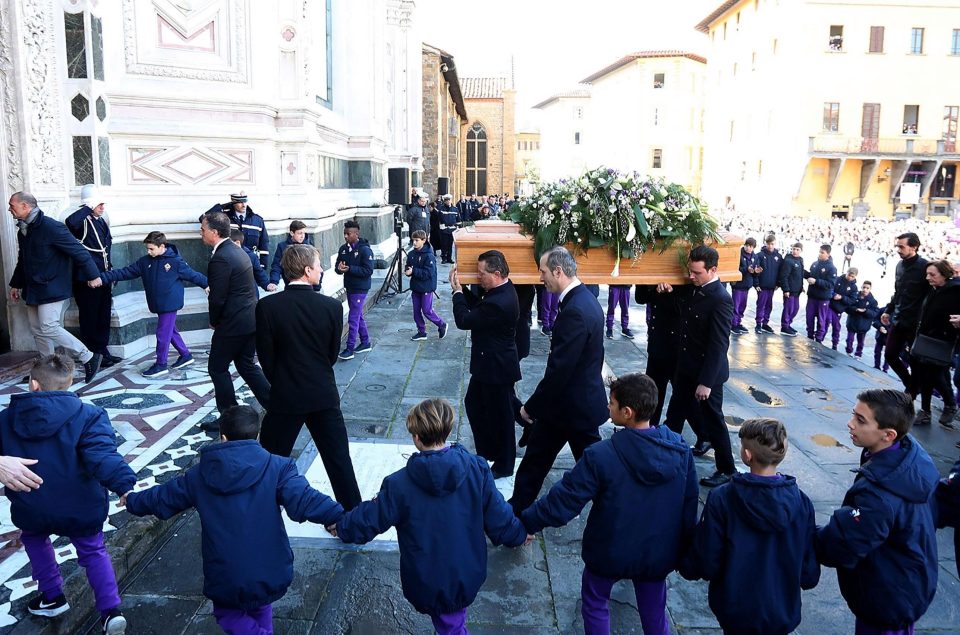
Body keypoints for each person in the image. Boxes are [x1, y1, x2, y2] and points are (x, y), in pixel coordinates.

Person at [124, 405, 344, 635]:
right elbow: (306, 499)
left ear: (223, 438)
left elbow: (161, 498)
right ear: (257, 436)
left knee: (227, 614)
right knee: (261, 605)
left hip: (226, 573)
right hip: (271, 565)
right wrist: (339, 518)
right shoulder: (278, 467)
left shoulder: (198, 476)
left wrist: (132, 500)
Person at [329, 399, 530, 635]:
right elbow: (499, 516)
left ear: (416, 438)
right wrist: (519, 534)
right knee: (453, 618)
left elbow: (370, 518)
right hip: (466, 569)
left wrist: (342, 526)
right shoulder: (477, 469)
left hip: (429, 576)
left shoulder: (399, 485)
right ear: (447, 430)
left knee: (451, 625)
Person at [520, 373, 698, 635]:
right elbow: (689, 503)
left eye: (612, 403)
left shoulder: (601, 456)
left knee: (594, 601)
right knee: (654, 609)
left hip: (610, 550)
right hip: (656, 552)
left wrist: (525, 522)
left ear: (627, 412)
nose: (607, 407)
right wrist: (684, 546)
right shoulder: (681, 451)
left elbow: (564, 501)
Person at [0, 353, 134, 633]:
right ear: (69, 384)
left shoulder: (6, 418)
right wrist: (124, 485)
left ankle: (52, 597)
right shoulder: (89, 415)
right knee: (93, 551)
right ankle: (110, 611)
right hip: (80, 505)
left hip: (31, 503)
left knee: (35, 540)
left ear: (34, 384)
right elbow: (103, 457)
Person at [680, 418, 820, 635]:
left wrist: (688, 565)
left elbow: (708, 556)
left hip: (736, 606)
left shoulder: (723, 498)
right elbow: (808, 565)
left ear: (747, 455)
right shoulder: (801, 502)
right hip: (781, 607)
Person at [816, 389, 939, 635]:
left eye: (861, 420)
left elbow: (844, 544)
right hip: (906, 583)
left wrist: (806, 532)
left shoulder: (878, 496)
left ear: (888, 435)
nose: (850, 424)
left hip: (887, 596)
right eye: (854, 414)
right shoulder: (908, 456)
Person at [256, 244, 362, 509]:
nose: (321, 270)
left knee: (270, 461)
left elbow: (266, 359)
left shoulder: (268, 307)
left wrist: (283, 380)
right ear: (306, 271)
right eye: (318, 266)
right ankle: (352, 516)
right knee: (339, 459)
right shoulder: (331, 306)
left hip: (285, 395)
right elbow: (331, 354)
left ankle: (261, 513)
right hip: (322, 393)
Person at [511, 246, 608, 513]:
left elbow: (559, 371)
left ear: (558, 271)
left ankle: (516, 512)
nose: (540, 278)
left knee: (545, 464)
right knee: (541, 462)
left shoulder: (576, 310)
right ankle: (516, 510)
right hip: (575, 405)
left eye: (543, 272)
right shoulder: (585, 299)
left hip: (569, 407)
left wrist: (530, 408)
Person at [7, 191, 103, 383]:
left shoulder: (52, 227)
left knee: (49, 326)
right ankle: (45, 372)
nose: (9, 209)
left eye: (12, 205)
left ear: (26, 206)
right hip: (34, 288)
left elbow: (79, 252)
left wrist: (94, 275)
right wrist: (16, 283)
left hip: (53, 287)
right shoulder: (23, 230)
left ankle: (88, 356)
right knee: (37, 330)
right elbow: (22, 259)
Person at [450, 251, 521, 478]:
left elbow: (465, 320)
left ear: (497, 273)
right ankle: (490, 450)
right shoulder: (499, 292)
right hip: (490, 363)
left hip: (496, 367)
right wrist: (466, 292)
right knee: (476, 404)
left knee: (502, 417)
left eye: (482, 274)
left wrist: (458, 293)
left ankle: (504, 463)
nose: (479, 277)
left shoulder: (499, 301)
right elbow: (481, 307)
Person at [97, 232, 208, 378]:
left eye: (151, 249)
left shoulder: (175, 262)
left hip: (170, 303)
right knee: (170, 331)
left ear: (162, 246)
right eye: (147, 249)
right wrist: (102, 277)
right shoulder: (145, 261)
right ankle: (186, 355)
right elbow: (126, 272)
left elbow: (193, 275)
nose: (148, 251)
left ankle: (161, 365)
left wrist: (207, 285)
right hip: (157, 303)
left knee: (162, 334)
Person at [674, 245, 736, 487]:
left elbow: (718, 345)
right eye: (690, 271)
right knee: (676, 413)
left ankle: (727, 469)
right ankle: (666, 456)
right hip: (686, 368)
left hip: (706, 375)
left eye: (697, 273)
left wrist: (706, 382)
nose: (691, 276)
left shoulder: (721, 299)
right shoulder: (694, 290)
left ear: (713, 270)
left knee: (714, 420)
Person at [200, 211, 271, 418]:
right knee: (246, 364)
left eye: (203, 230)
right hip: (249, 320)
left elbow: (217, 298)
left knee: (217, 368)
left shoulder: (221, 258)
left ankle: (229, 415)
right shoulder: (237, 250)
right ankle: (274, 403)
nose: (201, 234)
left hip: (233, 323)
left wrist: (214, 321)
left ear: (214, 232)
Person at [64, 185, 120, 368]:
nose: (102, 207)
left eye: (102, 203)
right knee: (90, 317)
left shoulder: (101, 220)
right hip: (86, 279)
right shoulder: (82, 221)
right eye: (99, 204)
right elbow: (70, 223)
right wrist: (88, 206)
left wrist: (110, 272)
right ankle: (93, 354)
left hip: (103, 276)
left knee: (103, 315)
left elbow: (105, 249)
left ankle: (103, 350)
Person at [911, 260, 960, 426]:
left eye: (932, 274)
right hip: (926, 338)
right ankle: (925, 410)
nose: (928, 277)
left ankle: (950, 404)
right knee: (925, 375)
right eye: (927, 274)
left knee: (936, 375)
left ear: (944, 274)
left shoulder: (956, 290)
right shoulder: (933, 289)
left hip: (943, 340)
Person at [635, 284, 691, 427]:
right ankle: (650, 428)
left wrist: (670, 291)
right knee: (653, 392)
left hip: (676, 345)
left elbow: (681, 309)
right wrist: (655, 290)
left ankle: (703, 435)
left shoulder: (686, 283)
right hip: (657, 344)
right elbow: (640, 297)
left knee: (682, 395)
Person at [881, 233, 929, 394]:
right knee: (890, 354)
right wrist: (888, 310)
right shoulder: (899, 266)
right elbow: (898, 291)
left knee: (915, 360)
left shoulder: (925, 267)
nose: (898, 250)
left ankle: (911, 393)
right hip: (899, 318)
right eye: (897, 246)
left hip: (916, 323)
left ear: (914, 247)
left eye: (901, 246)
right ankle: (911, 384)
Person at [335, 220, 374, 360]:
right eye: (344, 233)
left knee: (353, 317)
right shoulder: (343, 249)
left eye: (348, 234)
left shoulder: (365, 250)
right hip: (350, 287)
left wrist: (350, 269)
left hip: (360, 288)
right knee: (358, 316)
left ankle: (349, 348)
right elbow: (337, 266)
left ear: (356, 234)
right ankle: (365, 342)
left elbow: (368, 270)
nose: (345, 236)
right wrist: (339, 270)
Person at [207, 191, 270, 267]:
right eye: (240, 202)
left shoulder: (257, 220)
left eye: (245, 201)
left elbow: (264, 245)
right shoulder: (224, 219)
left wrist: (262, 265)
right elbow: (204, 219)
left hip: (251, 264)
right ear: (233, 203)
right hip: (229, 264)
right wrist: (223, 206)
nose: (244, 205)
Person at [405, 230, 447, 341]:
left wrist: (414, 272)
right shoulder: (411, 254)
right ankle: (421, 332)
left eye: (417, 240)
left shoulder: (429, 256)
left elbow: (428, 273)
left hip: (426, 287)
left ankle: (441, 324)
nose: (414, 243)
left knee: (427, 310)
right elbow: (408, 266)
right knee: (416, 311)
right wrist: (407, 271)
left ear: (424, 240)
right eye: (413, 240)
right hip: (416, 287)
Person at [804, 244, 837, 342]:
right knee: (809, 317)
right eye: (819, 252)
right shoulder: (815, 264)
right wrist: (802, 272)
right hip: (812, 296)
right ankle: (809, 336)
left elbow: (830, 284)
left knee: (821, 320)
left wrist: (816, 281)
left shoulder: (832, 268)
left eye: (822, 252)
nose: (820, 254)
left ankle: (818, 339)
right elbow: (810, 275)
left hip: (823, 298)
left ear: (828, 254)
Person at [268, 220, 313, 289]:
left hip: (308, 286)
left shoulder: (308, 247)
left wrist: (317, 287)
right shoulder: (282, 247)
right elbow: (277, 266)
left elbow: (315, 266)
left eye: (304, 233)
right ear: (292, 233)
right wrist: (274, 282)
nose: (302, 236)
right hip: (290, 286)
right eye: (299, 233)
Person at [753, 234, 782, 335]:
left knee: (769, 305)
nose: (770, 246)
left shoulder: (778, 256)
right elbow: (756, 270)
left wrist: (778, 283)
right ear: (765, 243)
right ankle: (758, 324)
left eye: (772, 244)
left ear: (775, 244)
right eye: (768, 244)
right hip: (762, 286)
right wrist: (756, 284)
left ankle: (765, 323)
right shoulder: (760, 255)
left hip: (772, 286)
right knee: (761, 305)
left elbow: (780, 271)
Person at [231, 229, 275, 293]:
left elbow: (259, 272)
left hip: (250, 293)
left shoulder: (251, 256)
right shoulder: (225, 255)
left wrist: (267, 284)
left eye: (229, 244)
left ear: (237, 243)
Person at [845, 280, 880, 358]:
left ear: (870, 289)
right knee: (849, 339)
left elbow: (875, 313)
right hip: (852, 323)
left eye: (867, 288)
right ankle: (849, 351)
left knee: (860, 342)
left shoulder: (873, 301)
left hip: (863, 325)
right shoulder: (855, 296)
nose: (865, 289)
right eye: (864, 287)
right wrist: (855, 309)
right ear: (861, 287)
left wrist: (866, 311)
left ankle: (858, 354)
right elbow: (848, 307)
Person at [730, 237, 757, 335]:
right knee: (736, 306)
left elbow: (755, 268)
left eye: (751, 246)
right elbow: (736, 268)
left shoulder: (755, 256)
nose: (748, 248)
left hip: (747, 285)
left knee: (742, 306)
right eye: (747, 245)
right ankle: (733, 324)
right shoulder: (739, 255)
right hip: (738, 285)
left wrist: (756, 271)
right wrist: (746, 269)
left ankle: (738, 322)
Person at [827, 267, 859, 350]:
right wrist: (834, 295)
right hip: (830, 305)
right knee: (826, 321)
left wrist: (842, 298)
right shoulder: (837, 279)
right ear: (846, 273)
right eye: (849, 275)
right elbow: (829, 289)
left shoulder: (854, 287)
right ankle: (819, 339)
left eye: (852, 276)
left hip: (839, 309)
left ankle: (835, 344)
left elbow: (852, 300)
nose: (850, 277)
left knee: (836, 327)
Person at [778, 242, 805, 337]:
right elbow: (784, 276)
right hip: (790, 290)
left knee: (795, 308)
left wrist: (802, 286)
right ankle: (784, 326)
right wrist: (786, 289)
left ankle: (788, 323)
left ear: (801, 251)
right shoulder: (788, 261)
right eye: (793, 249)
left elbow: (801, 273)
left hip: (797, 290)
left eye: (797, 250)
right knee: (788, 308)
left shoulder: (800, 260)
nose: (795, 251)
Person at [438, 194, 460, 264]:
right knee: (444, 244)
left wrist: (458, 228)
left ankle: (449, 258)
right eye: (446, 200)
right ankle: (444, 258)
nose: (448, 202)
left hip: (452, 230)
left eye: (449, 200)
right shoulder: (441, 209)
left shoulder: (455, 209)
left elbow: (458, 219)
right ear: (444, 201)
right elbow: (439, 219)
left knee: (450, 245)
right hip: (444, 229)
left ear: (451, 200)